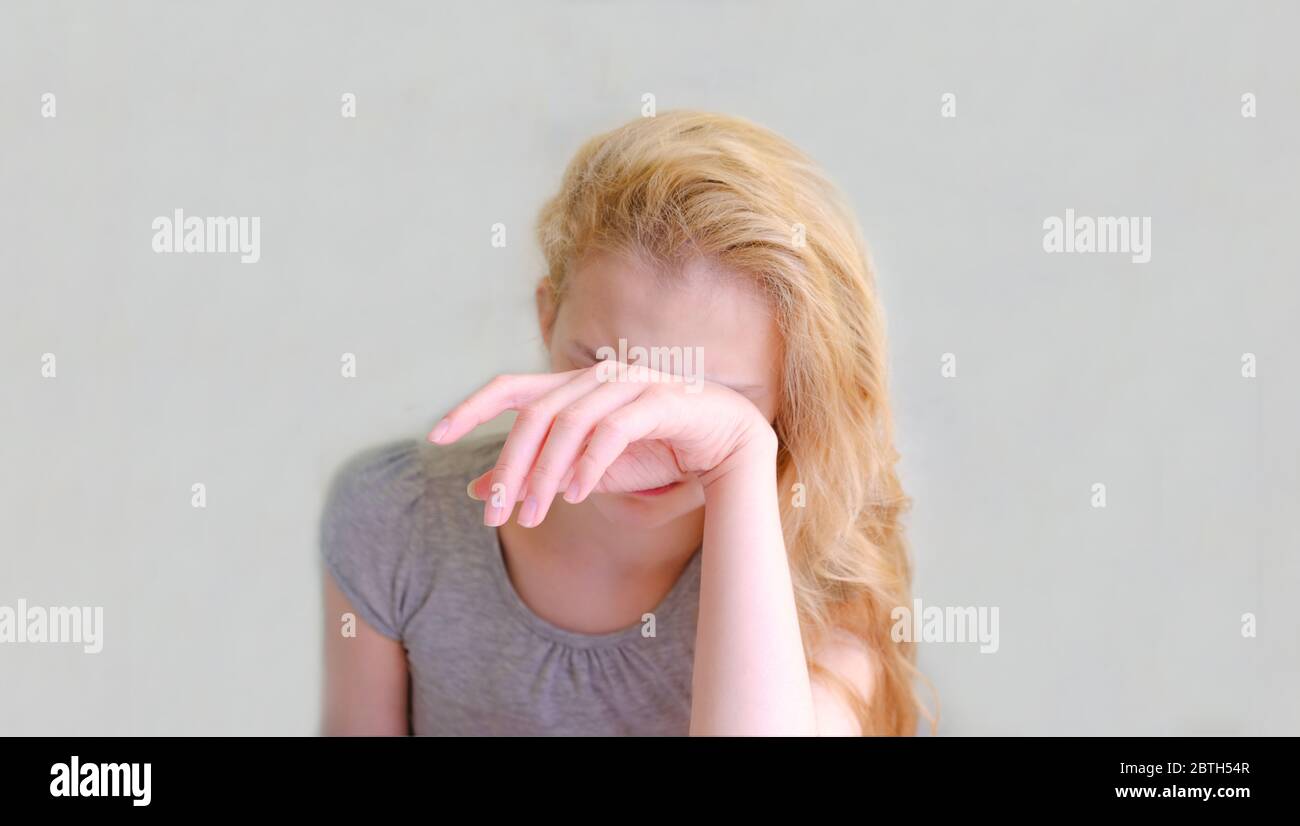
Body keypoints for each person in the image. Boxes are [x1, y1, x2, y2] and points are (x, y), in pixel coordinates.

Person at [320, 111, 929, 735]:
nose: (640, 433)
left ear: (794, 392)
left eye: (714, 402)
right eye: (604, 371)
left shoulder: (819, 572)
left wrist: (738, 458)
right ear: (547, 318)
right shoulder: (398, 516)